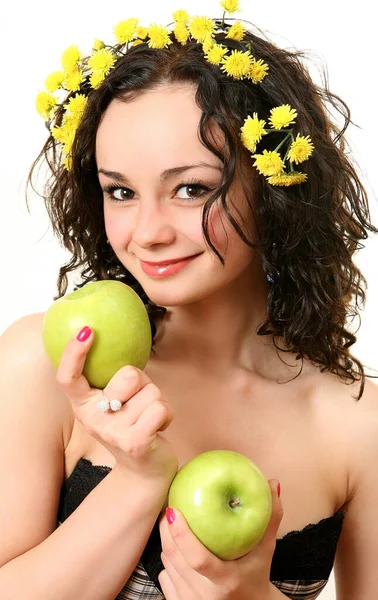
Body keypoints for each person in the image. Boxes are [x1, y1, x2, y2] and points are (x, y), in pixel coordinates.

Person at [1, 1, 378, 598]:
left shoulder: (357, 427)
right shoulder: (46, 364)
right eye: (120, 191)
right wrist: (137, 480)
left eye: (190, 188)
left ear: (273, 189)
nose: (147, 231)